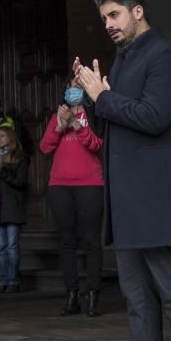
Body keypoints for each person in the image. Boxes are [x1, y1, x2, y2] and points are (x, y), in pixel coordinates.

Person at [76, 0, 171, 341]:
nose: (108, 25)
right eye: (105, 18)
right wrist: (92, 102)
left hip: (156, 196)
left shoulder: (163, 55)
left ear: (137, 11)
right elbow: (110, 128)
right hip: (124, 198)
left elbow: (154, 117)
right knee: (137, 295)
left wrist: (102, 96)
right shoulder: (123, 60)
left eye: (114, 15)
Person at [39, 75, 105, 317]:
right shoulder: (59, 115)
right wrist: (59, 126)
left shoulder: (93, 114)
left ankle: (93, 296)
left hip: (90, 184)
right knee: (67, 242)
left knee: (91, 241)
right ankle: (72, 295)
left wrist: (77, 125)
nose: (73, 90)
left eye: (78, 87)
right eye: (70, 87)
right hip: (60, 185)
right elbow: (45, 147)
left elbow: (97, 144)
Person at [0, 126, 30, 294]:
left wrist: (4, 170)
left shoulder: (20, 159)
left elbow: (21, 182)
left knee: (12, 246)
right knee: (0, 247)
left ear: (10, 137)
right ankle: (2, 280)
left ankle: (13, 280)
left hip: (13, 207)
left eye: (2, 136)